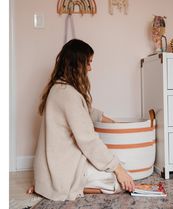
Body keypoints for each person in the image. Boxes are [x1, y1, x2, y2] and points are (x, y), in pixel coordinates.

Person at [28, 39, 135, 201]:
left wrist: (113, 123)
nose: (91, 68)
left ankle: (45, 184)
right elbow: (89, 141)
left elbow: (87, 112)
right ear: (77, 64)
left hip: (53, 165)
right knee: (122, 180)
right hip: (63, 169)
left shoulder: (59, 88)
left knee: (119, 168)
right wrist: (118, 169)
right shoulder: (68, 95)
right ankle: (64, 187)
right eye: (88, 63)